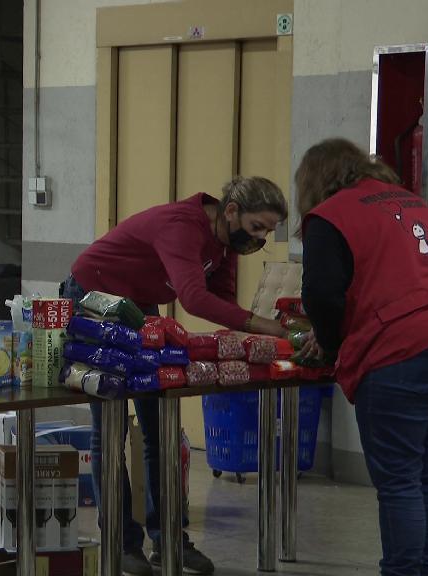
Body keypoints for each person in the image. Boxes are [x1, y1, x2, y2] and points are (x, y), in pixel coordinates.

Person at [62, 176, 291, 576]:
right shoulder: (182, 226)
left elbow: (219, 299)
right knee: (109, 429)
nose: (260, 239)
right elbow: (193, 297)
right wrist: (267, 326)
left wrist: (260, 331)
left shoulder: (223, 243)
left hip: (140, 307)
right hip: (94, 300)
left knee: (161, 429)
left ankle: (169, 539)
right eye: (257, 228)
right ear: (231, 211)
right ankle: (121, 541)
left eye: (268, 232)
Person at [296, 138, 428, 576]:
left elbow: (322, 294)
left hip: (404, 347)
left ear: (315, 178)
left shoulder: (330, 215)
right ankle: (421, 569)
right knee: (427, 467)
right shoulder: (414, 204)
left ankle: (402, 572)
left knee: (400, 478)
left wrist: (327, 340)